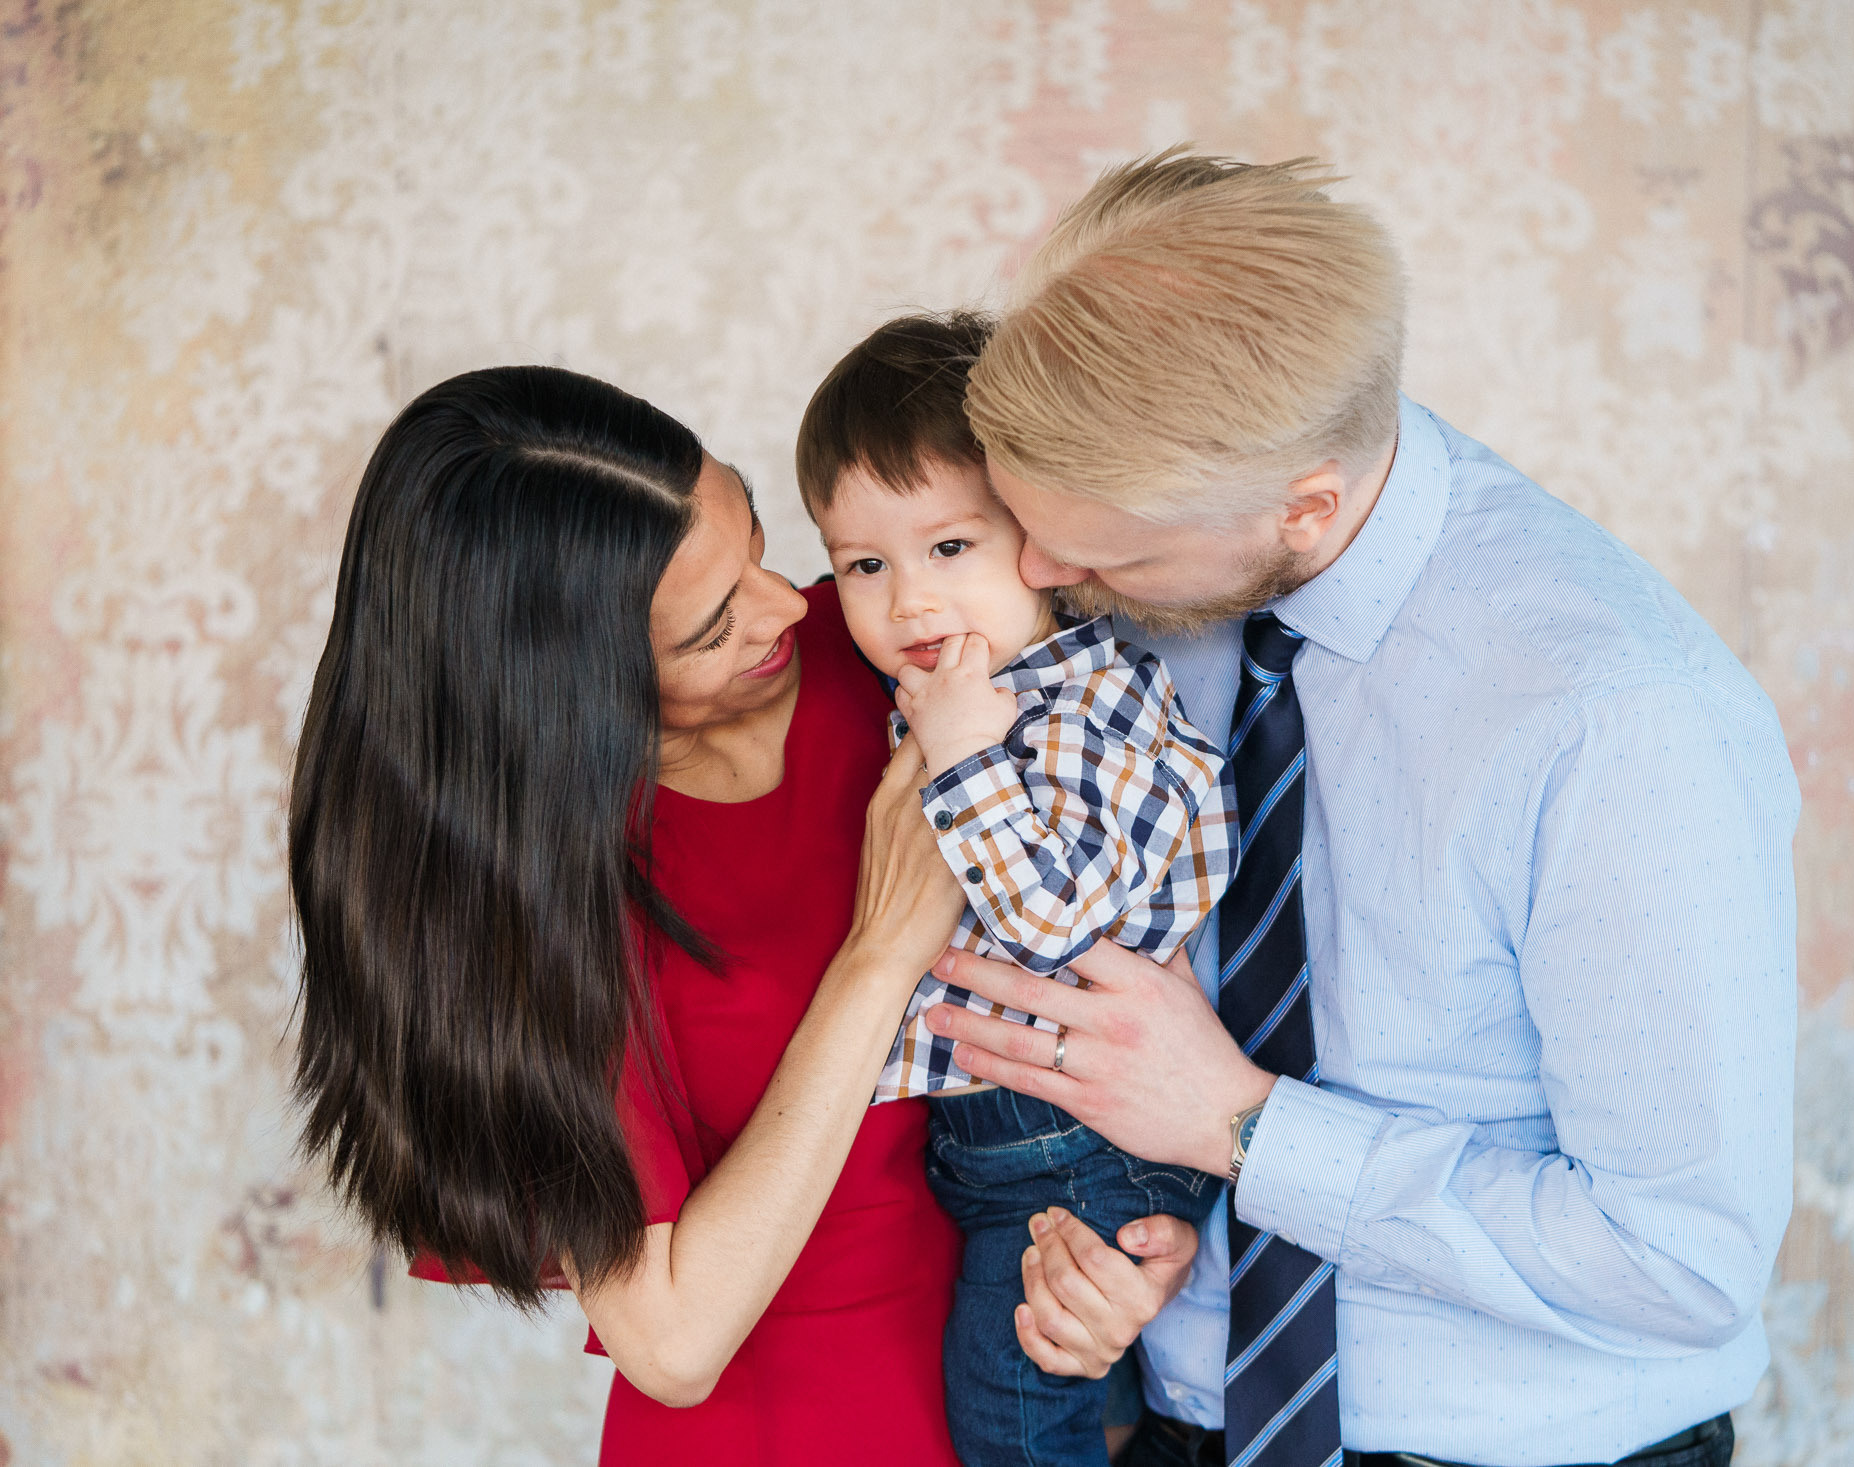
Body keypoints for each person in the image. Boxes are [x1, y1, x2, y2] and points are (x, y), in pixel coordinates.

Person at [924, 151, 1800, 1467]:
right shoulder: (1173, 567)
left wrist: (1244, 1125)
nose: (1041, 577)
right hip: (1169, 1421)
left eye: (1103, 552)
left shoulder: (1618, 714)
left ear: (1307, 507)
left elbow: (1680, 1260)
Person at [286, 365, 1201, 1466]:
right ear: (569, 691)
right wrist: (877, 957)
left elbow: (1129, 925)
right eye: (714, 625)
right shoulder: (535, 906)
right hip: (787, 1427)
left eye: (760, 545)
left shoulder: (899, 649)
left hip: (1023, 1370)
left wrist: (1133, 1238)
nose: (789, 607)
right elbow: (670, 1345)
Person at [792, 312, 1233, 1467]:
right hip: (1015, 1139)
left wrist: (965, 759)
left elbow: (1054, 925)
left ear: (1039, 540)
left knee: (1011, 1420)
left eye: (951, 549)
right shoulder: (964, 688)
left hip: (1073, 1137)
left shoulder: (1078, 709)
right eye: (865, 565)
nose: (909, 603)